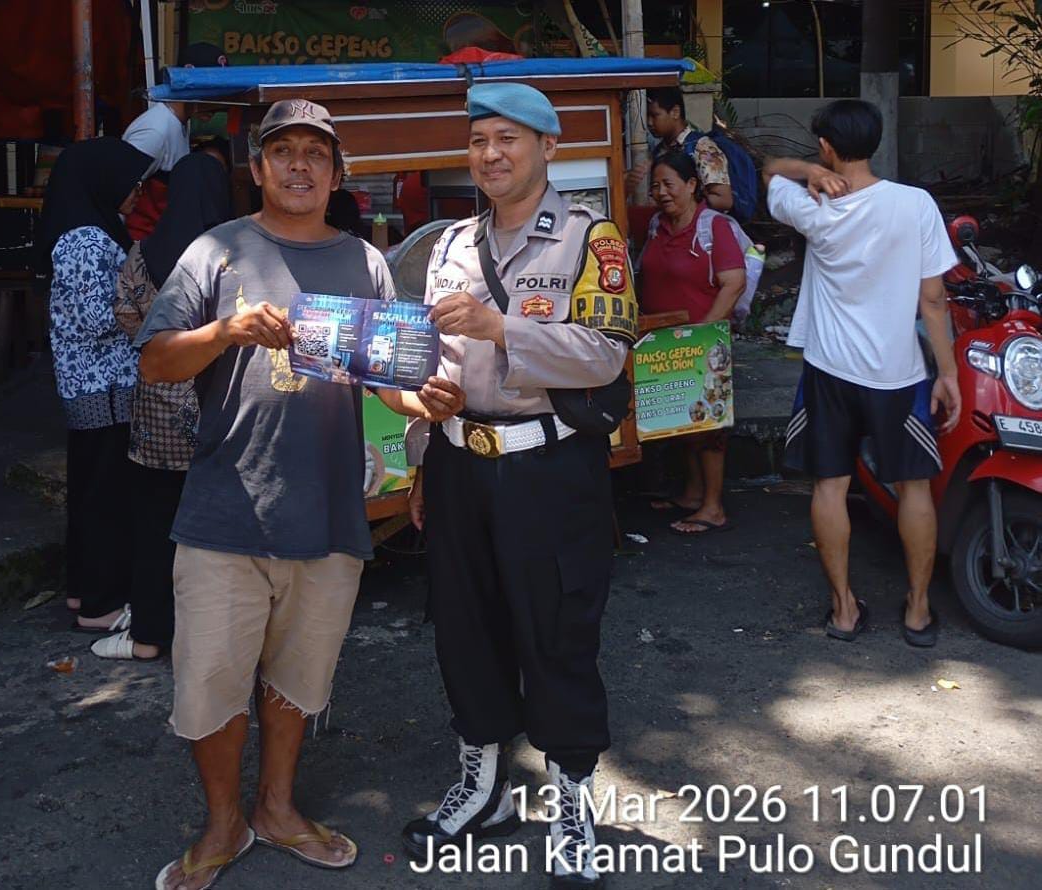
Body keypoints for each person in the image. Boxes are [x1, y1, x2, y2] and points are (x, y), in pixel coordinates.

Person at [136, 99, 463, 890]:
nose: (299, 166)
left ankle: (277, 808)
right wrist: (224, 333)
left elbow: (389, 382)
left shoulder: (365, 262)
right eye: (282, 151)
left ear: (335, 173)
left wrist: (427, 402)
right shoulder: (215, 252)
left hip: (326, 510)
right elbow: (154, 362)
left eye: (316, 154)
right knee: (210, 681)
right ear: (257, 168)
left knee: (297, 680)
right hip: (226, 506)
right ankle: (223, 824)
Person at [396, 83, 637, 889]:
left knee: (556, 629)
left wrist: (504, 327)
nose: (489, 154)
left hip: (547, 467)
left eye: (506, 138)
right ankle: (485, 786)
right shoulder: (451, 244)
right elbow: (434, 364)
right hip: (460, 462)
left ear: (544, 145)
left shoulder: (586, 238)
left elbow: (605, 354)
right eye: (477, 141)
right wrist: (421, 451)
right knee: (463, 627)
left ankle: (571, 797)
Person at [765, 99, 960, 648]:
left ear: (826, 147)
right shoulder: (915, 203)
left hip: (829, 370)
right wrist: (946, 374)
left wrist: (809, 172)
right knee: (913, 485)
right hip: (897, 372)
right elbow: (934, 297)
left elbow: (769, 170)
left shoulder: (810, 205)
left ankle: (844, 610)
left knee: (830, 484)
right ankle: (919, 612)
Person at [96, 150, 233, 662]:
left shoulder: (145, 250)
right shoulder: (235, 253)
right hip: (220, 405)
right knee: (220, 535)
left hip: (157, 409)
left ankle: (152, 634)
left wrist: (159, 345)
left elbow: (125, 311)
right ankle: (216, 640)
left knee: (157, 527)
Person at [38, 137, 152, 631]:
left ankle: (84, 590)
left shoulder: (83, 230)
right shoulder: (85, 239)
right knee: (106, 495)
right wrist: (149, 310)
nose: (137, 195)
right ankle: (102, 604)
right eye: (131, 186)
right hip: (103, 388)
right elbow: (96, 317)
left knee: (92, 490)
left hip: (93, 387)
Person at [637, 151, 745, 534]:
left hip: (703, 342)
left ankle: (713, 507)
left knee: (709, 428)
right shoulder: (656, 226)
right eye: (655, 185)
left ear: (692, 185)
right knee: (684, 420)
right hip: (666, 343)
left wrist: (704, 335)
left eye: (669, 184)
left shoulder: (713, 227)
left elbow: (734, 282)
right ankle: (693, 493)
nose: (661, 193)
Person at [123, 42, 228, 241]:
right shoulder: (155, 131)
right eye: (212, 88)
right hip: (140, 247)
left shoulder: (181, 123)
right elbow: (117, 195)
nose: (218, 98)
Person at [627, 87, 733, 215]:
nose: (649, 122)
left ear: (675, 112)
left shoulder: (703, 148)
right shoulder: (658, 151)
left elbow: (724, 200)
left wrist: (683, 201)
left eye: (655, 115)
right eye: (647, 116)